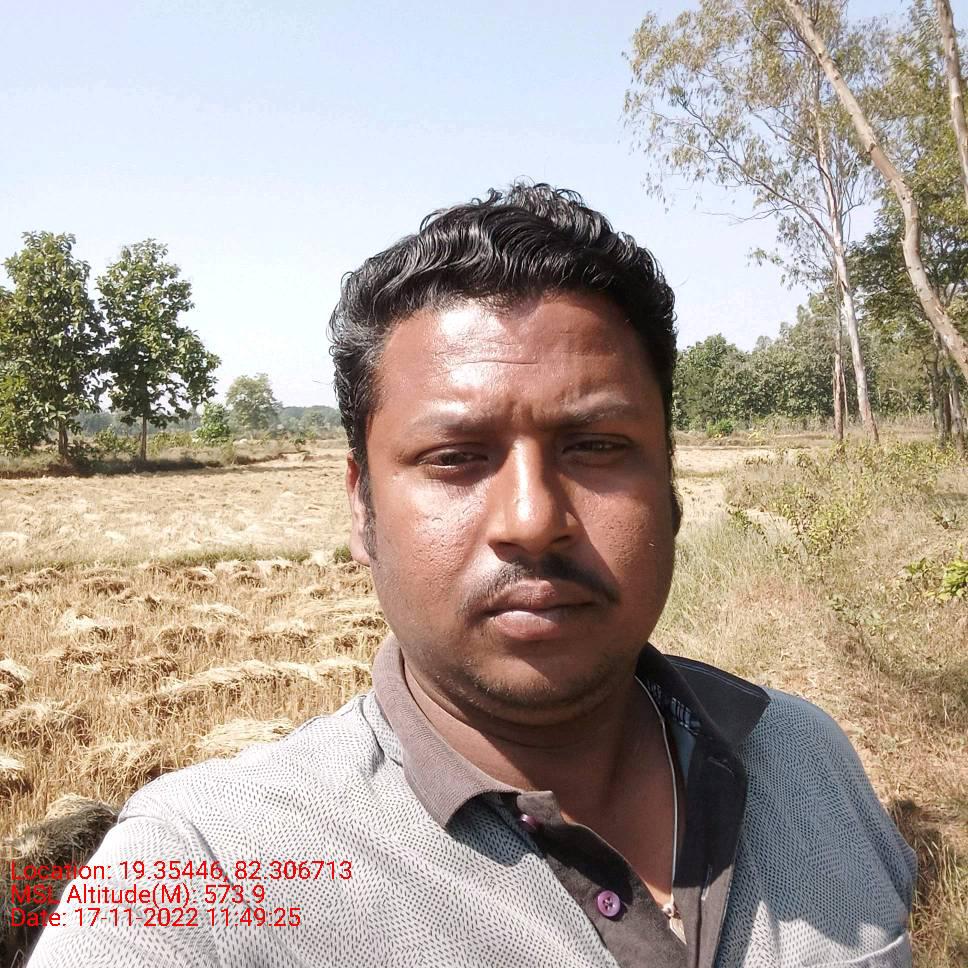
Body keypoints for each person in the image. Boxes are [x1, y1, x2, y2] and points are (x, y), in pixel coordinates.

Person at [28, 184, 916, 968]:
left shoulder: (804, 757)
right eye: (455, 457)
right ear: (363, 509)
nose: (532, 519)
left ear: (671, 485)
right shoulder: (203, 871)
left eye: (597, 447)